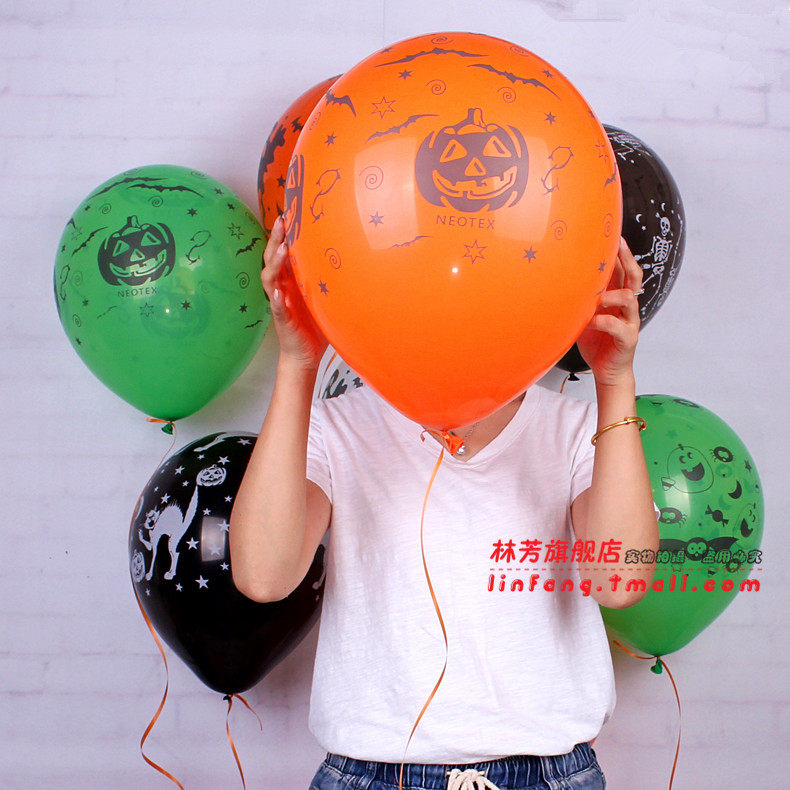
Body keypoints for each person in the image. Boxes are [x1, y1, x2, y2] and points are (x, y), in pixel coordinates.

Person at [229, 215, 660, 790]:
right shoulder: (336, 428)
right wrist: (297, 364)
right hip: (369, 776)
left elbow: (620, 580)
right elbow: (262, 577)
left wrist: (615, 382)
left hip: (551, 775)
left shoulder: (575, 427)